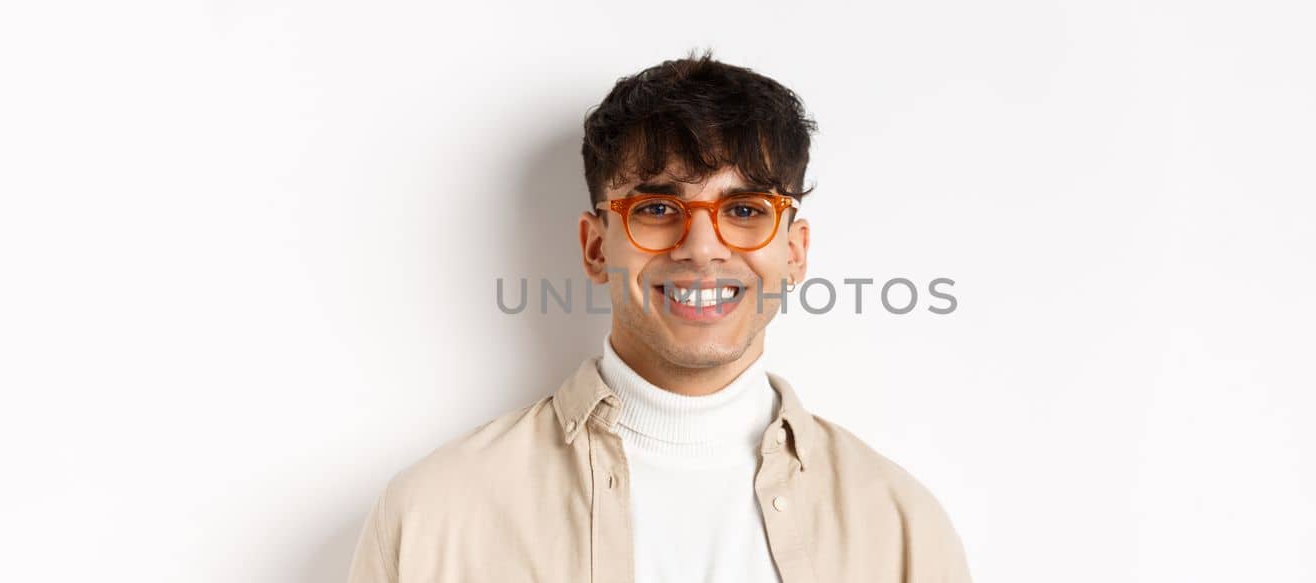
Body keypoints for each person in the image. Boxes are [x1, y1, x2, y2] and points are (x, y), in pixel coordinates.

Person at [346, 50, 972, 583]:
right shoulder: (433, 518)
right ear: (596, 247)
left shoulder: (899, 530)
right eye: (656, 208)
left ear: (794, 251)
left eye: (747, 210)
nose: (702, 247)